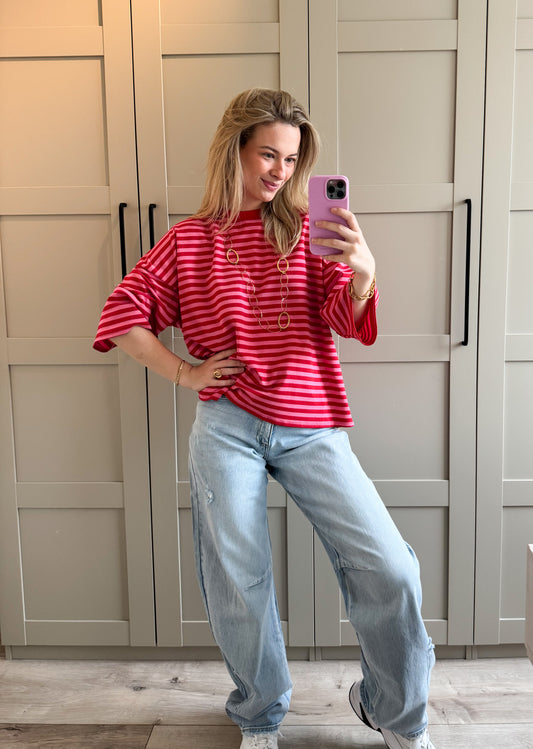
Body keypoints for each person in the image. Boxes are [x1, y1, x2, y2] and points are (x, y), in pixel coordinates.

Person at [94, 88, 436, 749]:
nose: (282, 170)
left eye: (293, 158)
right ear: (235, 151)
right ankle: (258, 715)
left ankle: (393, 712)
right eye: (268, 155)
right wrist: (184, 372)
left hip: (312, 425)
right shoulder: (188, 240)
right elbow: (122, 314)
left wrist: (364, 274)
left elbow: (345, 318)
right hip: (227, 428)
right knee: (238, 580)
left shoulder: (310, 229)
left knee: (390, 567)